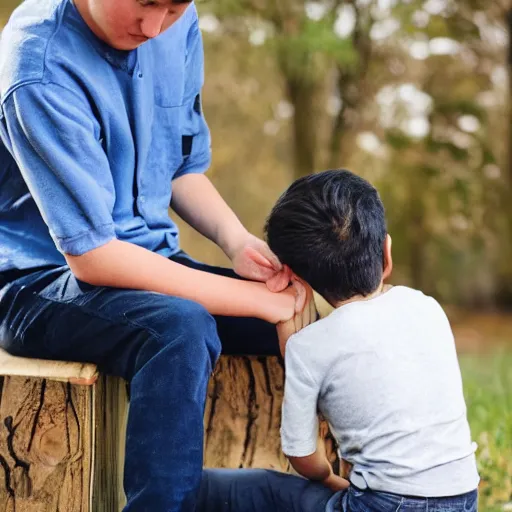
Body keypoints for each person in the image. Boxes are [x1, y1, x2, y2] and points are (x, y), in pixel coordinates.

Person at [0, 1, 307, 510]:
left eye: (173, 7)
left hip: (156, 264)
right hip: (41, 283)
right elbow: (94, 257)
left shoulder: (176, 25)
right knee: (181, 329)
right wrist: (247, 299)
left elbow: (182, 168)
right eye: (144, 3)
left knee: (307, 315)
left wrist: (237, 243)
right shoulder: (37, 65)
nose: (154, 27)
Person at [264, 169, 480, 511]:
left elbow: (301, 454)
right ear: (387, 253)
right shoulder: (427, 307)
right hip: (464, 497)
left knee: (258, 490)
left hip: (384, 503)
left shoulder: (307, 347)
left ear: (297, 277)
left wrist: (331, 481)